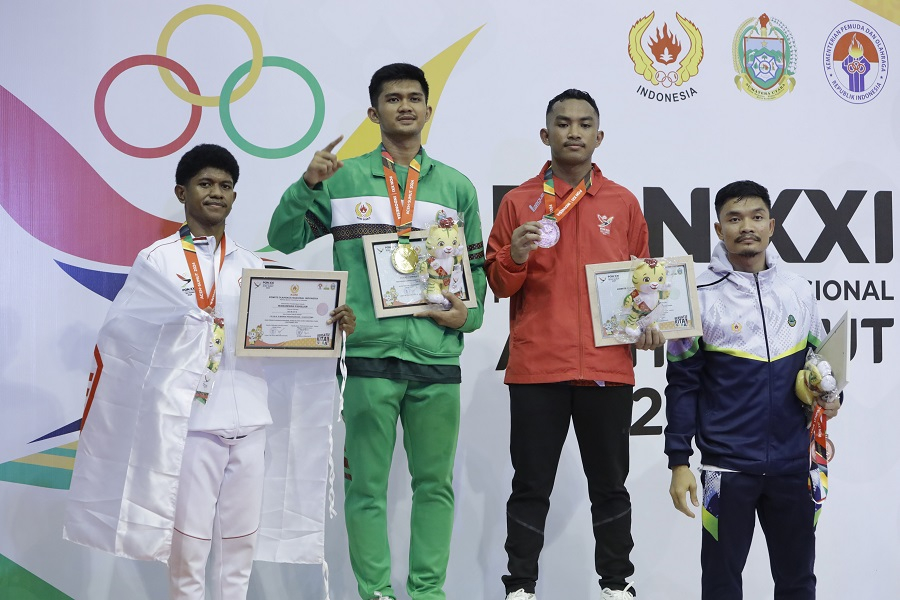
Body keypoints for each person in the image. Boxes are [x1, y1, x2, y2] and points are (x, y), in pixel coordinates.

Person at [64, 143, 355, 600]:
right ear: (182, 192)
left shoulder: (255, 266)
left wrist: (331, 325)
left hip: (250, 418)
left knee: (241, 546)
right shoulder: (157, 260)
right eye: (205, 184)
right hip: (191, 423)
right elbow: (123, 334)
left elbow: (284, 332)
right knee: (189, 546)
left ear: (234, 198)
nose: (216, 193)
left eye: (225, 186)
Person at [267, 63, 486, 600]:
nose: (404, 106)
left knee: (434, 487)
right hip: (367, 355)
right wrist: (308, 183)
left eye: (414, 98)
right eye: (392, 99)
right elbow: (283, 237)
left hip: (436, 357)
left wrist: (468, 317)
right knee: (365, 488)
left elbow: (473, 272)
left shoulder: (457, 186)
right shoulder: (342, 178)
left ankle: (428, 592)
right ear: (374, 112)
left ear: (428, 110)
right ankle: (376, 593)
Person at [485, 89, 663, 600]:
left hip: (608, 367)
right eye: (563, 124)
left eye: (585, 124)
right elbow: (499, 284)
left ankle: (617, 584)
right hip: (538, 367)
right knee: (531, 486)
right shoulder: (519, 201)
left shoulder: (623, 202)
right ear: (546, 135)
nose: (574, 132)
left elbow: (644, 284)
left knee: (609, 484)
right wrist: (514, 256)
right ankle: (520, 587)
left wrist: (649, 322)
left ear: (599, 136)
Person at [664, 180, 842, 600]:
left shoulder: (798, 291)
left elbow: (822, 365)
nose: (747, 226)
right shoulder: (696, 296)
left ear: (772, 225)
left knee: (798, 583)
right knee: (722, 586)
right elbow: (682, 384)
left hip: (794, 467)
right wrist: (678, 461)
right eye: (735, 218)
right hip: (726, 470)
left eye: (757, 217)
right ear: (718, 227)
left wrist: (831, 397)